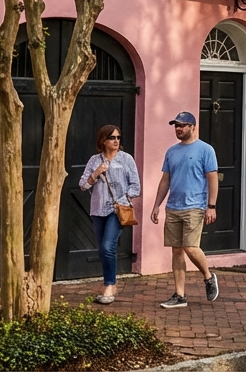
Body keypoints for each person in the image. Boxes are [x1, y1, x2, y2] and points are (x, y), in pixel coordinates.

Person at [149, 112, 220, 309]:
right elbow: (165, 180)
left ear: (193, 127)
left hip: (195, 206)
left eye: (183, 125)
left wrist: (211, 206)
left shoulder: (206, 150)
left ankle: (208, 276)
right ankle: (180, 295)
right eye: (176, 126)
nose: (178, 129)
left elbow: (212, 178)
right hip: (173, 206)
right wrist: (157, 205)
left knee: (190, 247)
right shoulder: (172, 151)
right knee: (177, 250)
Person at [78, 124, 141, 304]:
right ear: (103, 140)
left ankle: (109, 284)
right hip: (98, 210)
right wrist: (96, 173)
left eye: (118, 138)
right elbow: (83, 185)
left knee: (108, 247)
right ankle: (110, 283)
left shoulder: (126, 159)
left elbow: (136, 186)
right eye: (112, 138)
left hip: (117, 211)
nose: (116, 141)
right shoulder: (94, 160)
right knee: (103, 250)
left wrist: (121, 200)